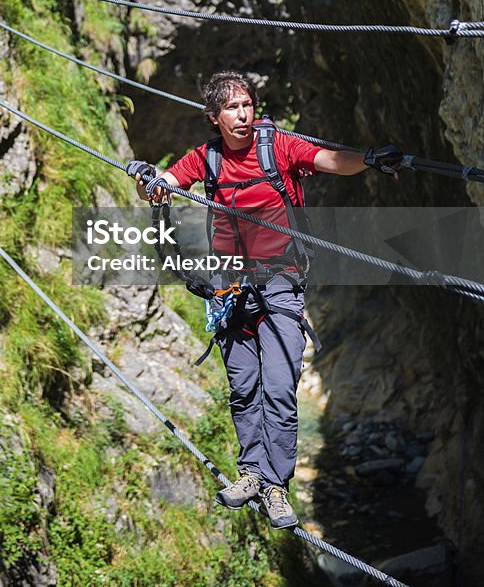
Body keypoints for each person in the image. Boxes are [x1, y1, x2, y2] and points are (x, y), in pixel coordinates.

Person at [127, 70, 402, 529]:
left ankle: (276, 487)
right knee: (243, 387)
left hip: (280, 283)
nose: (243, 114)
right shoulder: (206, 159)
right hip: (230, 287)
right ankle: (252, 473)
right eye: (232, 108)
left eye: (247, 105)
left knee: (277, 386)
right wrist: (144, 177)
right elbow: (165, 185)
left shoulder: (278, 147)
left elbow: (331, 159)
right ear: (214, 118)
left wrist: (370, 159)